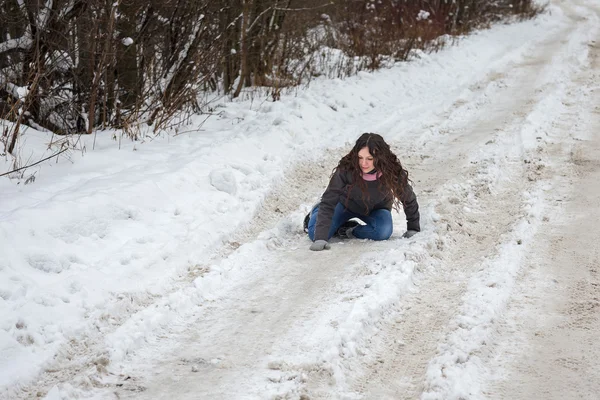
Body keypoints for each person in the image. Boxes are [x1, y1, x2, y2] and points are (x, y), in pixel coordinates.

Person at [305, 133, 420, 251]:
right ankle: (316, 212)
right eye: (360, 157)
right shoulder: (347, 168)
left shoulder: (391, 170)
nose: (363, 163)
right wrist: (320, 237)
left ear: (380, 157)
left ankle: (347, 229)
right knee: (315, 234)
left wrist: (413, 227)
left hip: (377, 210)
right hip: (344, 205)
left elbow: (408, 198)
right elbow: (329, 200)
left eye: (370, 159)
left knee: (383, 232)